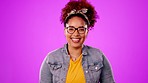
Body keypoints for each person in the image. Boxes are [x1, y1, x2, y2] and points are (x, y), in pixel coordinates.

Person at [40, 0, 115, 83]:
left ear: (87, 31)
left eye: (81, 29)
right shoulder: (51, 58)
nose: (76, 34)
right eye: (71, 29)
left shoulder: (98, 56)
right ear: (65, 31)